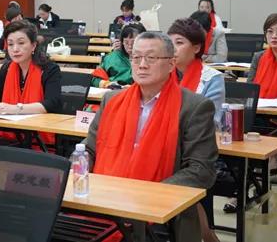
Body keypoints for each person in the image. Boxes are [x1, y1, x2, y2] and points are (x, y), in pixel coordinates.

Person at [83, 31, 217, 242]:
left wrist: (147, 195)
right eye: (136, 57)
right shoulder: (112, 100)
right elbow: (89, 149)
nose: (142, 65)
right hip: (104, 203)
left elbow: (201, 170)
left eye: (151, 58)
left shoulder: (194, 107)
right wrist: (77, 167)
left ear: (171, 64)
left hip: (162, 212)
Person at [0, 21, 61, 115]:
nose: (15, 49)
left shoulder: (49, 69)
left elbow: (52, 104)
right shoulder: (7, 68)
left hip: (39, 122)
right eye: (10, 44)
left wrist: (16, 109)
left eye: (21, 43)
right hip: (10, 122)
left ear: (33, 45)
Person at [168, 18, 225, 121]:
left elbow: (211, 121)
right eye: (169, 43)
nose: (172, 49)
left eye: (179, 43)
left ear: (196, 48)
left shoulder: (212, 79)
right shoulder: (163, 75)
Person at [92, 23, 146, 88]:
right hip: (114, 91)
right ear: (121, 42)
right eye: (126, 42)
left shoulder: (150, 60)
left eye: (133, 43)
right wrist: (107, 84)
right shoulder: (113, 57)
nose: (130, 46)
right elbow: (94, 78)